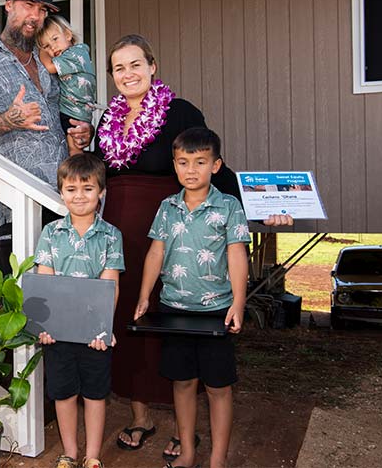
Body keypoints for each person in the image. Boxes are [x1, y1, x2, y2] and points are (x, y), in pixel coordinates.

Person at [92, 34, 292, 460]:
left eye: (135, 65)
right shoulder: (106, 119)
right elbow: (96, 175)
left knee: (174, 328)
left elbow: (207, 165)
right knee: (128, 320)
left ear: (152, 66)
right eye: (118, 68)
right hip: (119, 236)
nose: (127, 74)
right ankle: (140, 414)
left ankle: (185, 432)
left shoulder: (179, 111)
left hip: (174, 235)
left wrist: (266, 206)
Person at [0, 0, 93, 270]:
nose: (37, 16)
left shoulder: (48, 58)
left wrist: (83, 131)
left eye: (43, 10)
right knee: (19, 295)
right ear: (9, 6)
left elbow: (67, 110)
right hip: (14, 202)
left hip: (61, 197)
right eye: (29, 5)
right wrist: (9, 119)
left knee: (60, 291)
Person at [134, 127, 250, 468]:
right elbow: (156, 252)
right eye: (183, 162)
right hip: (174, 310)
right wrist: (144, 296)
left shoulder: (228, 206)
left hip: (218, 312)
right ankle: (187, 452)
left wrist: (238, 304)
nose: (191, 170)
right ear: (174, 165)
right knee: (182, 382)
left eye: (200, 162)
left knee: (218, 387)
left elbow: (237, 255)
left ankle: (217, 459)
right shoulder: (167, 207)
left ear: (216, 165)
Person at [33, 153, 124, 468]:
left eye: (87, 188)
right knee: (63, 392)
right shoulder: (50, 233)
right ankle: (69, 453)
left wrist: (102, 328)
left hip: (94, 334)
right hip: (57, 332)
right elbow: (45, 284)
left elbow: (110, 285)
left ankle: (92, 456)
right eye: (71, 189)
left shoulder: (111, 236)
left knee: (96, 394)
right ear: (61, 192)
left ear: (101, 192)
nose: (79, 196)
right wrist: (44, 325)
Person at [37, 15, 97, 156]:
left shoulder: (74, 54)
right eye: (47, 46)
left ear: (68, 35)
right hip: (76, 110)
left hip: (73, 111)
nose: (53, 47)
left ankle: (77, 176)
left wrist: (42, 51)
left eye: (55, 39)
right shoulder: (76, 53)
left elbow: (50, 67)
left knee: (74, 151)